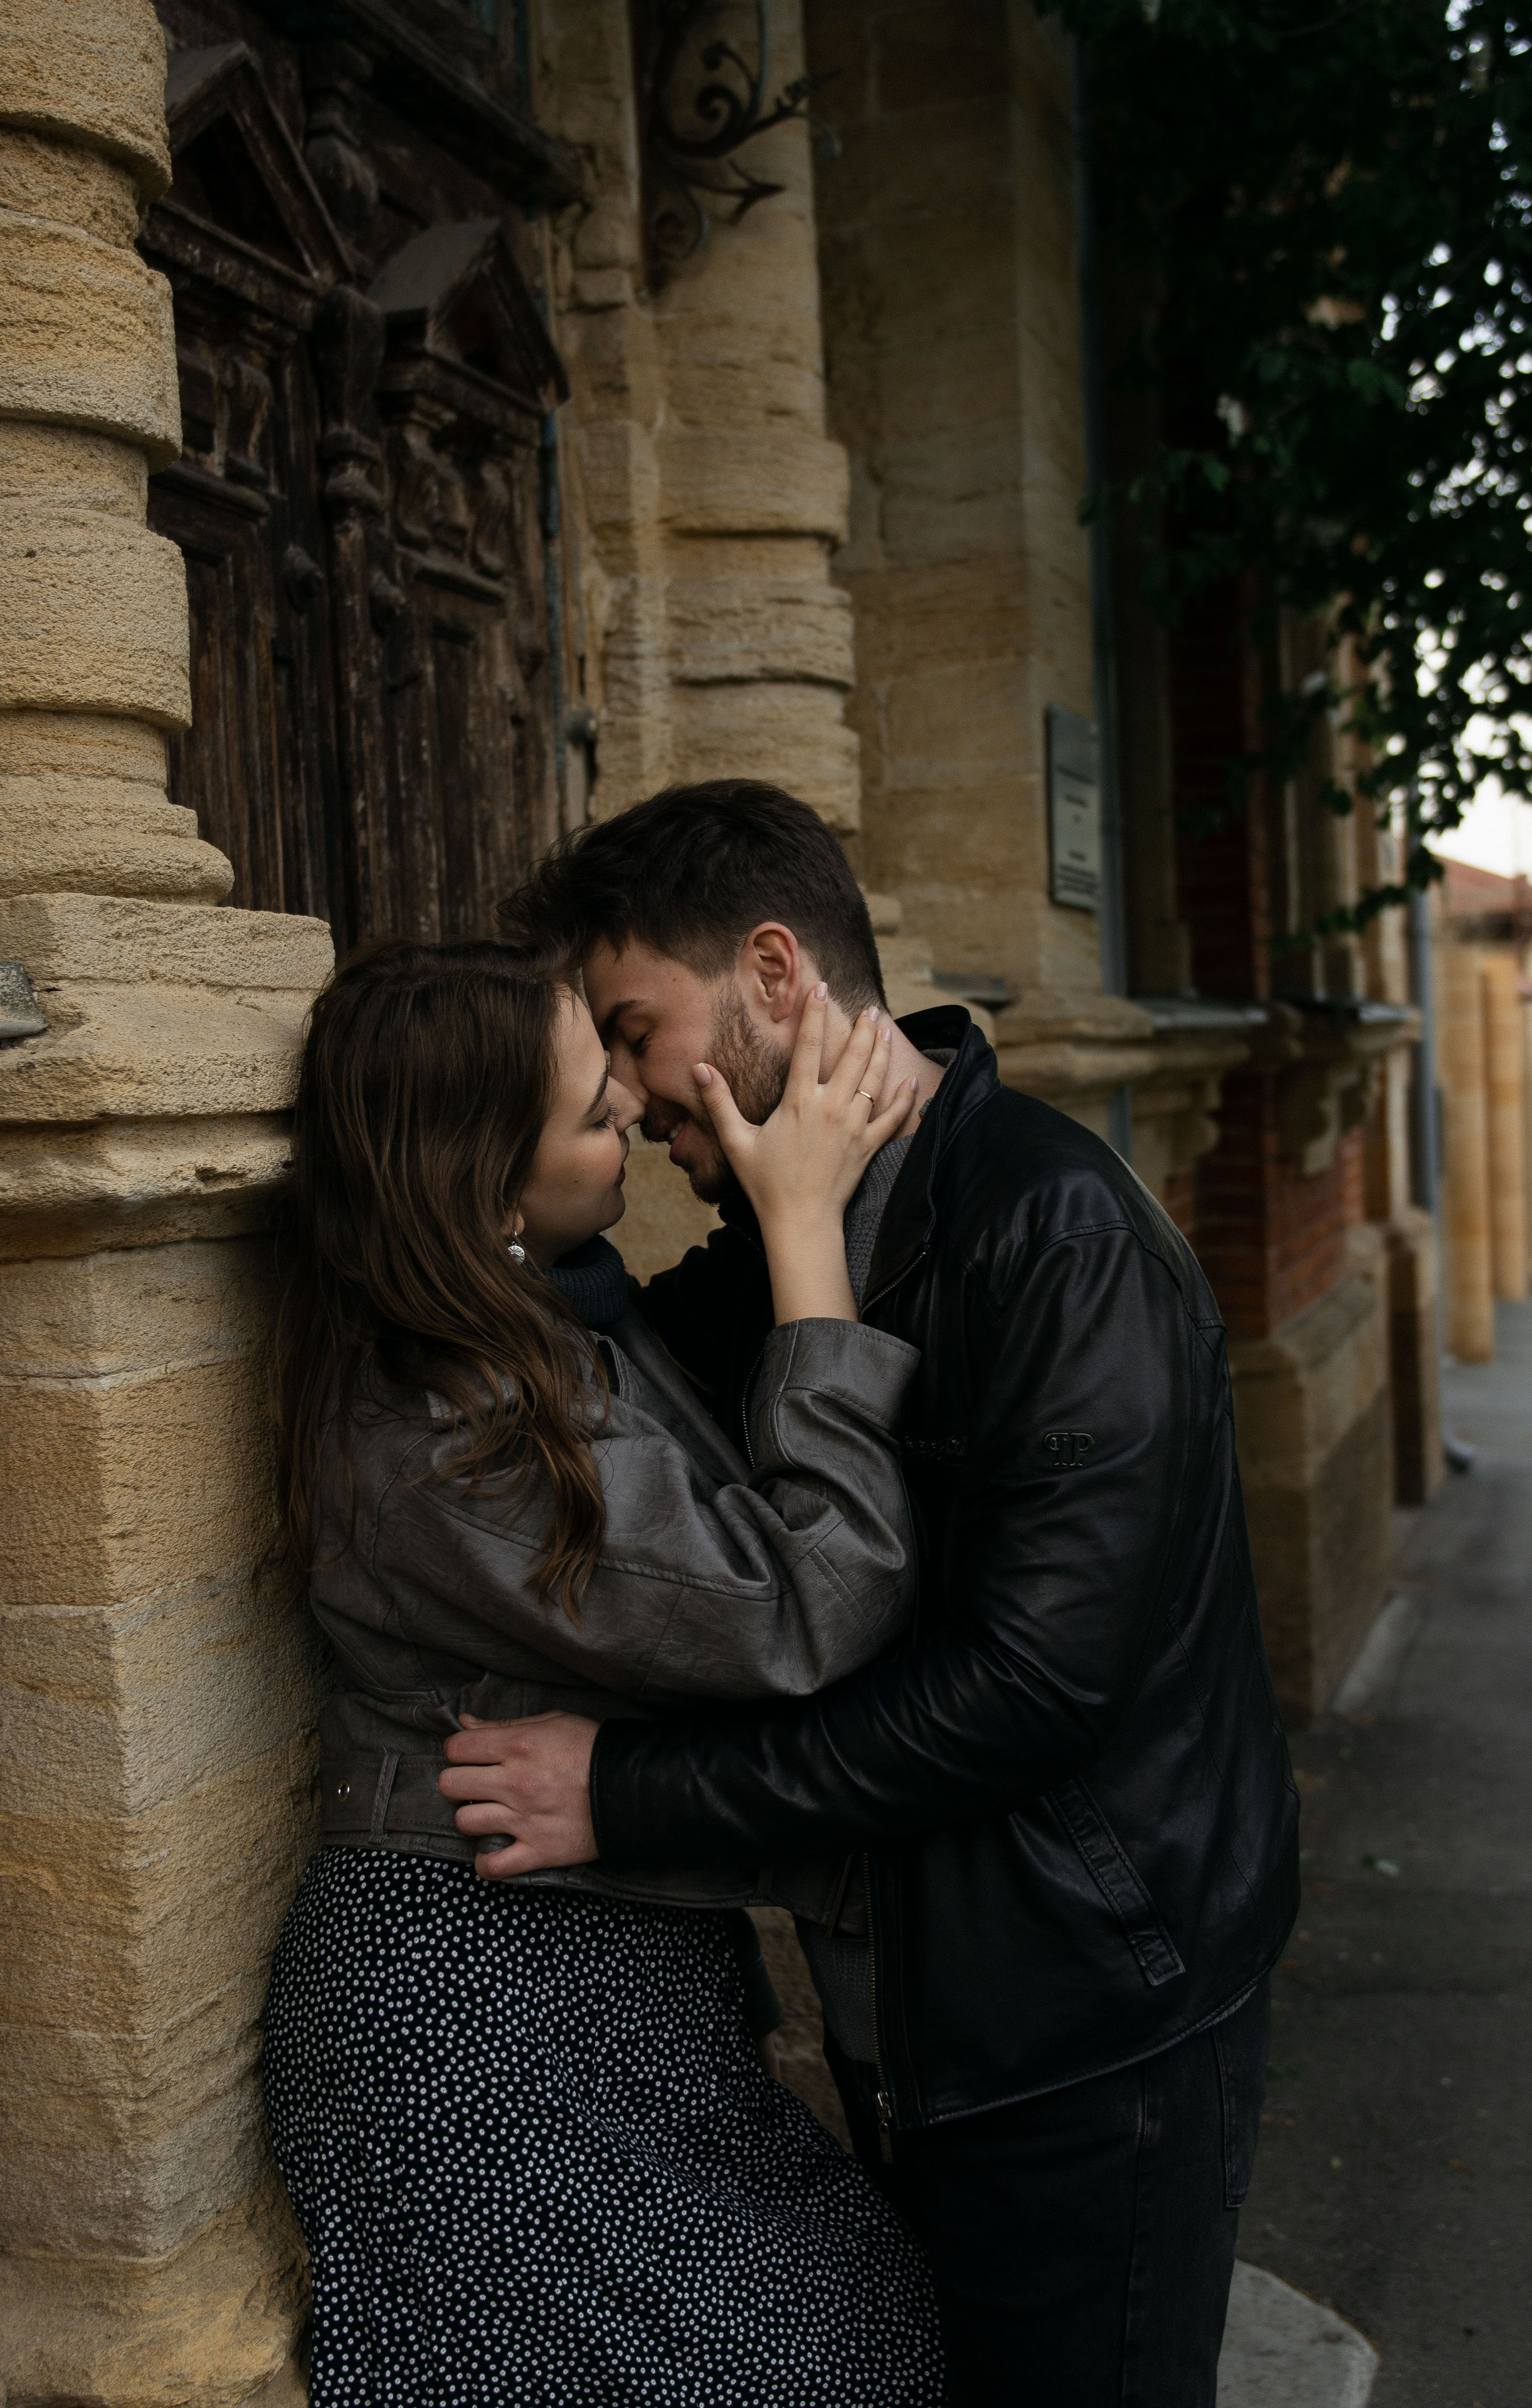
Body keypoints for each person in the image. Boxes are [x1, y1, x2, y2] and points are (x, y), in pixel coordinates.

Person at [440, 782, 1303, 2408]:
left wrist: (626, 1796)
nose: (629, 1095)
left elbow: (1028, 1691)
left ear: (778, 975)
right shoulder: (802, 1232)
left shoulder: (1054, 1233)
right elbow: (612, 1354)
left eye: (635, 1032)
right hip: (930, 2006)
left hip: (1091, 2025)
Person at [261, 936, 945, 2407]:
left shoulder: (539, 1329)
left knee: (861, 2342)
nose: (630, 1114)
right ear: (486, 1186)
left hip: (595, 1982)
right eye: (589, 1110)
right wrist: (806, 1241)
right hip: (473, 2017)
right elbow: (806, 1604)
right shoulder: (448, 1438)